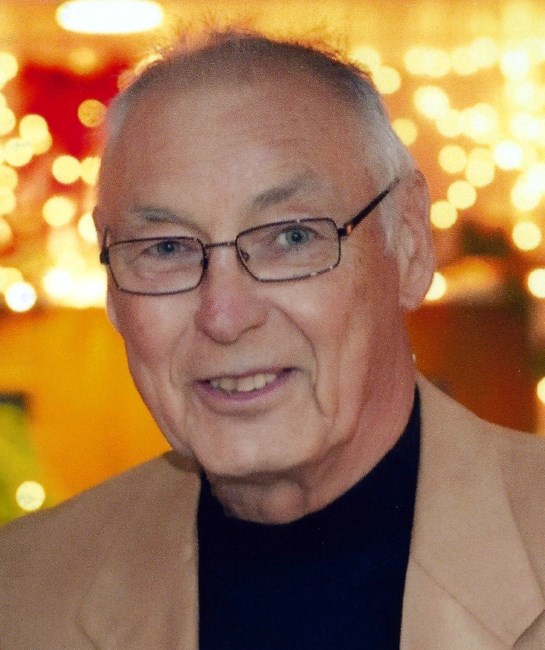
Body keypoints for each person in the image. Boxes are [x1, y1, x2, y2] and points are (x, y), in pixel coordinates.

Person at [1, 29, 545, 649]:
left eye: (291, 237)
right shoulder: (22, 593)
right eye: (167, 248)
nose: (225, 316)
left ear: (411, 245)